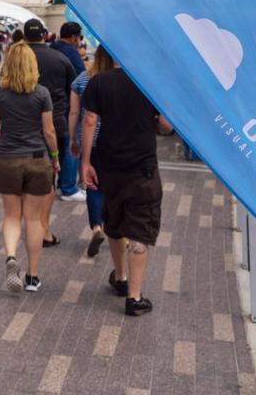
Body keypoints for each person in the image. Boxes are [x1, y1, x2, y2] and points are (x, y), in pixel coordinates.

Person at [79, 54, 173, 317]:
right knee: (140, 229)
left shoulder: (99, 82)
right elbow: (166, 126)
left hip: (110, 165)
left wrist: (86, 162)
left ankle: (120, 278)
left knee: (115, 221)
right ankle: (134, 297)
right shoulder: (148, 82)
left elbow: (89, 121)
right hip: (142, 167)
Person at [0, 42, 60, 293]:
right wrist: (56, 157)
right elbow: (48, 131)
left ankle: (11, 256)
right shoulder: (41, 93)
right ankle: (33, 277)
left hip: (7, 158)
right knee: (34, 219)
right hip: (37, 159)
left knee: (11, 216)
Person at [19, 19, 79, 251]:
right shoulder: (61, 58)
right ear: (44, 35)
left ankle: (32, 225)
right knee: (49, 177)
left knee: (25, 179)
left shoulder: (18, 58)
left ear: (24, 36)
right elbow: (73, 90)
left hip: (22, 125)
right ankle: (42, 228)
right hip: (55, 123)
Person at [69, 44, 112, 258]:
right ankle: (115, 228)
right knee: (113, 185)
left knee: (93, 187)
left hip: (89, 140)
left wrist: (72, 139)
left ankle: (96, 227)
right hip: (114, 140)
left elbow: (75, 111)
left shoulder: (82, 79)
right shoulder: (118, 80)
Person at [49, 21, 86, 203]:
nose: (79, 42)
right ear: (73, 37)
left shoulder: (52, 48)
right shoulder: (71, 52)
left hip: (48, 107)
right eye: (79, 38)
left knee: (53, 146)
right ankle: (69, 188)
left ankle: (52, 184)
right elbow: (82, 79)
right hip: (67, 106)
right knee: (71, 145)